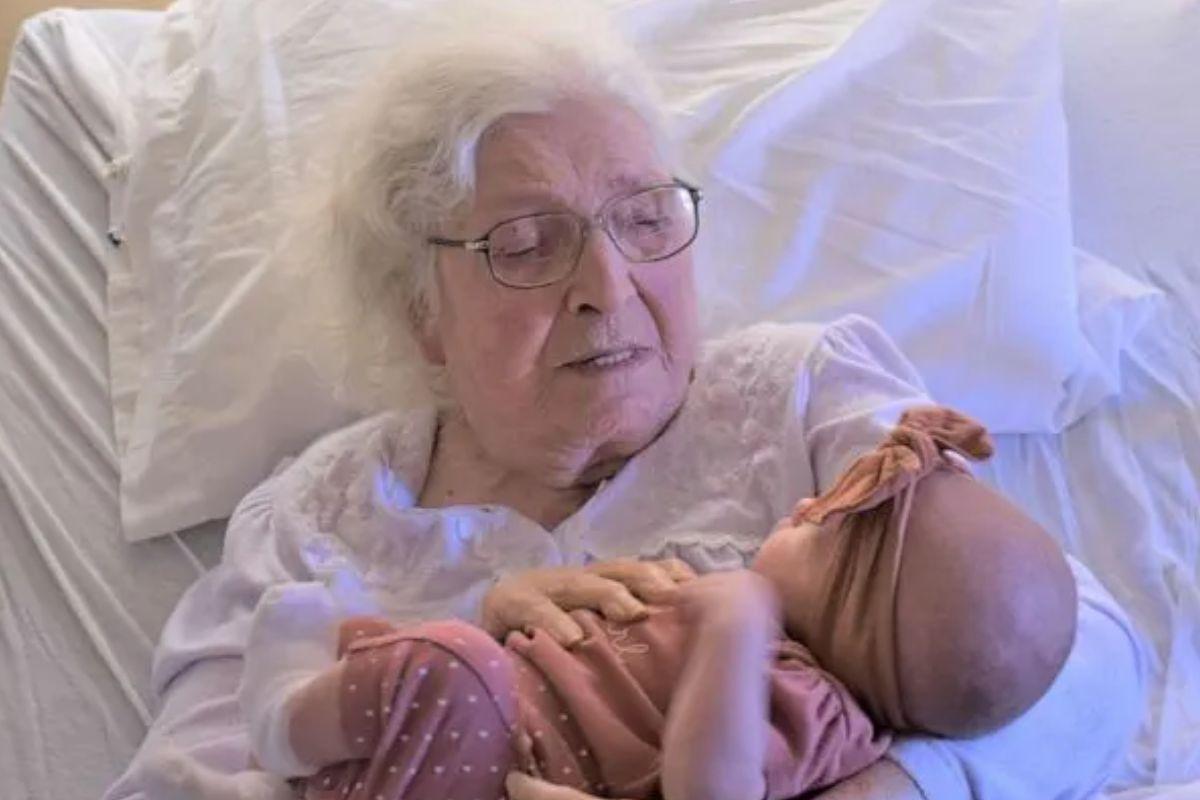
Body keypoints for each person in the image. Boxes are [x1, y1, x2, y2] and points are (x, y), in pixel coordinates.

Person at [102, 2, 1144, 799]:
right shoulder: (316, 518)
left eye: (645, 218)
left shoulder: (802, 395)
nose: (609, 284)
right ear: (422, 312)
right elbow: (178, 780)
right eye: (525, 243)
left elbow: (1080, 657)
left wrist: (890, 790)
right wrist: (465, 645)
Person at [235, 408, 997, 800]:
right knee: (431, 654)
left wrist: (735, 626)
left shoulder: (819, 709)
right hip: (438, 738)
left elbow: (711, 791)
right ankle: (317, 721)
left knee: (449, 665)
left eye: (824, 524)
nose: (802, 504)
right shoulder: (314, 495)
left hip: (491, 764)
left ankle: (283, 722)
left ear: (864, 615)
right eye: (523, 244)